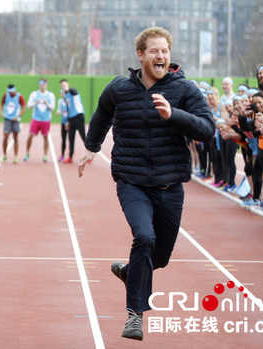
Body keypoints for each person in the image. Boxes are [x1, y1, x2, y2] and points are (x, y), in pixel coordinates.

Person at [77, 27, 215, 341]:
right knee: (144, 236)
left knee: (159, 258)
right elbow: (101, 115)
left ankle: (130, 273)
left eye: (164, 51)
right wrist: (91, 147)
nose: (160, 56)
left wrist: (175, 115)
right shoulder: (120, 88)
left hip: (170, 185)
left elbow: (207, 129)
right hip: (132, 181)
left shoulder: (184, 90)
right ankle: (134, 316)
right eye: (154, 51)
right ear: (140, 55)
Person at [24, 78, 55, 162]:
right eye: (41, 84)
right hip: (35, 119)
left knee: (45, 137)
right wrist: (36, 103)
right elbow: (28, 106)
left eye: (44, 84)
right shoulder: (34, 94)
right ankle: (27, 153)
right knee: (30, 136)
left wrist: (46, 103)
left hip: (46, 120)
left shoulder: (50, 95)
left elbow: (52, 108)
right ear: (39, 85)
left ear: (47, 85)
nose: (43, 86)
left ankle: (45, 155)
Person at [60, 79, 86, 163]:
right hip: (71, 118)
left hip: (78, 116)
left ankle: (90, 153)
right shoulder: (66, 96)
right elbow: (68, 109)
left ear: (67, 84)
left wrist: (67, 89)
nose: (63, 87)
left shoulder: (73, 91)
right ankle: (70, 156)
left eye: (64, 85)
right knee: (71, 138)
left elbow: (74, 91)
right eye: (61, 86)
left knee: (83, 135)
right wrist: (67, 121)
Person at [0, 84, 26, 164]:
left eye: (12, 92)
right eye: (9, 92)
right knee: (5, 137)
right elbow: (1, 104)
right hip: (7, 119)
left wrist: (18, 116)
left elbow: (24, 108)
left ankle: (15, 157)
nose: (10, 93)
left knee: (15, 138)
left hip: (15, 120)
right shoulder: (6, 95)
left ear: (14, 90)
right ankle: (4, 155)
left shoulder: (19, 96)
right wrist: (1, 113)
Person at [56, 89, 69, 163]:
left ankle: (70, 155)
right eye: (62, 93)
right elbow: (59, 109)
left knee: (70, 140)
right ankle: (62, 155)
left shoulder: (69, 101)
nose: (63, 94)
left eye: (64, 93)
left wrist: (68, 121)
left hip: (70, 123)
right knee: (63, 139)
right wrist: (58, 112)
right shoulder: (60, 101)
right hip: (63, 123)